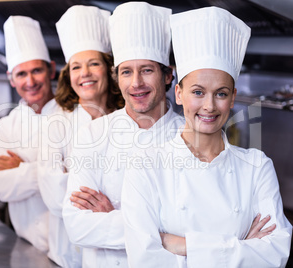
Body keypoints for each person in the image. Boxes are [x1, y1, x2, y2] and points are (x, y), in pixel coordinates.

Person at [121, 6, 293, 268]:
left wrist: (183, 246)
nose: (210, 106)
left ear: (233, 97)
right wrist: (242, 248)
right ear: (178, 94)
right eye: (198, 92)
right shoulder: (145, 165)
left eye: (221, 93)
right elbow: (145, 260)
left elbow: (275, 255)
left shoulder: (257, 167)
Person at [62, 2, 184, 267]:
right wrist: (164, 234)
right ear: (117, 78)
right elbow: (77, 226)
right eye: (127, 72)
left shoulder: (191, 137)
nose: (136, 83)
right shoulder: (94, 133)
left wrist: (113, 217)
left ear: (168, 76)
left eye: (147, 70)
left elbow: (197, 226)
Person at [37, 5, 124, 267]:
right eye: (75, 67)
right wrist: (110, 196)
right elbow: (53, 197)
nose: (84, 73)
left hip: (119, 254)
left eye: (93, 64)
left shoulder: (128, 119)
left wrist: (73, 172)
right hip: (65, 254)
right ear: (68, 75)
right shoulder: (56, 119)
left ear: (109, 70)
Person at [0, 15, 58, 254]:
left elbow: (78, 178)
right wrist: (51, 172)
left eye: (37, 70)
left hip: (69, 250)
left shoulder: (74, 117)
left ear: (51, 70)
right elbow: (1, 187)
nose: (30, 81)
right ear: (11, 79)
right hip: (26, 245)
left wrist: (22, 167)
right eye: (21, 74)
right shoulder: (4, 128)